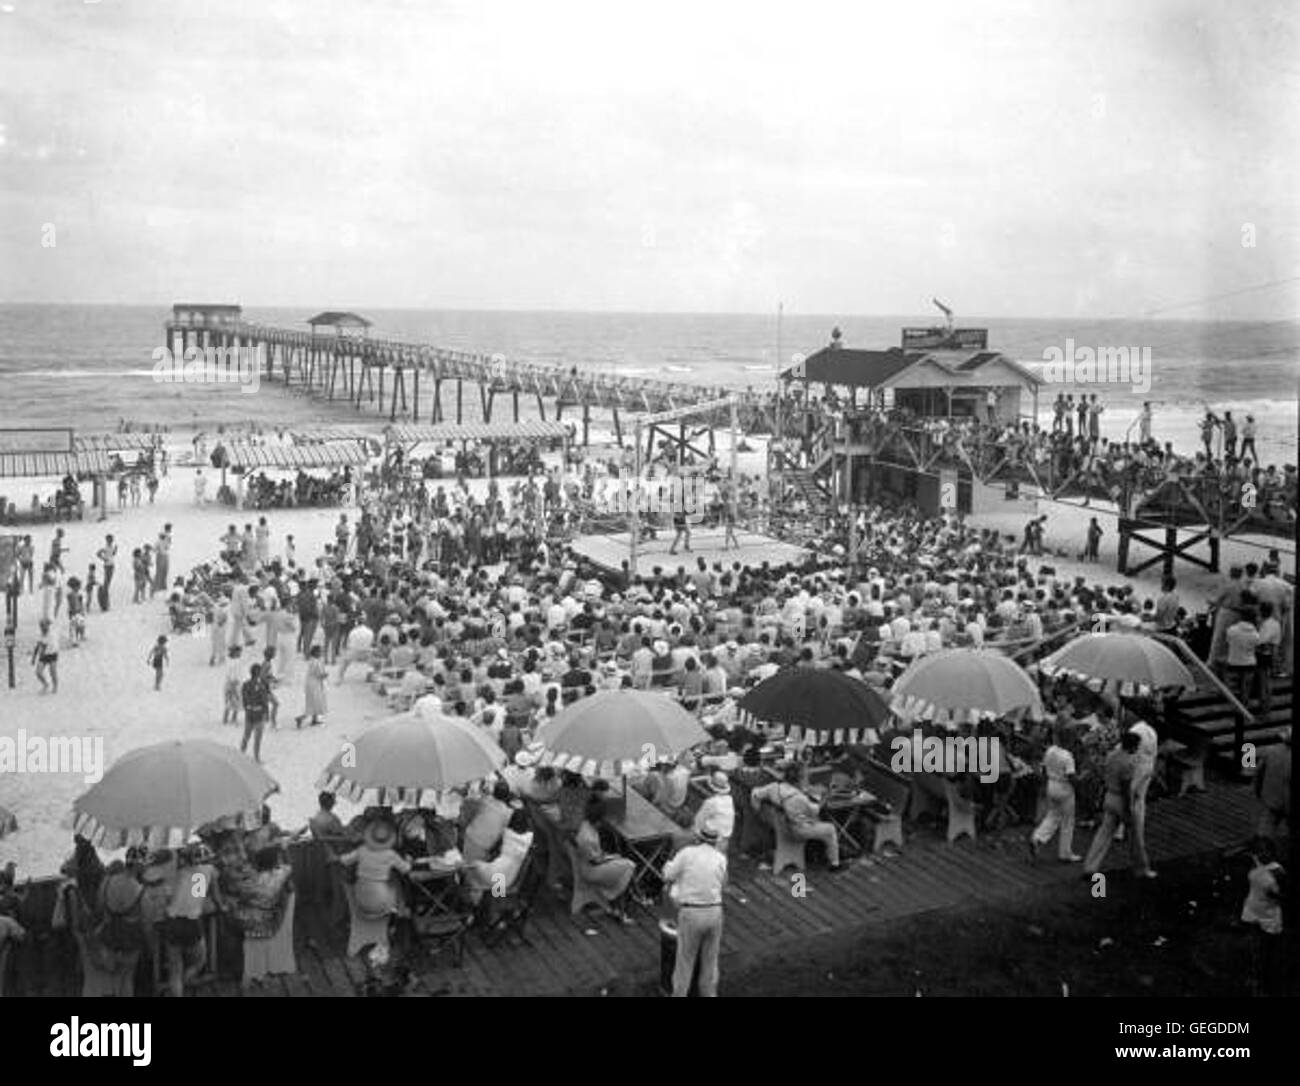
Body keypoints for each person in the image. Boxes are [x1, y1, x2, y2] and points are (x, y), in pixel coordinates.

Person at [661, 824, 728, 997]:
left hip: (692, 913)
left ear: (698, 838)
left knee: (684, 963)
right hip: (714, 911)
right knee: (710, 962)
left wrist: (668, 864)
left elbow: (668, 875)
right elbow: (724, 884)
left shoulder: (687, 853)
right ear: (715, 842)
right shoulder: (721, 858)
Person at [750, 762, 845, 872]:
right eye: (805, 777)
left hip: (781, 827)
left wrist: (759, 812)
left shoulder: (774, 788)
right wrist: (825, 797)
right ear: (799, 779)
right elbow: (816, 810)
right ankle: (835, 864)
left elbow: (755, 793)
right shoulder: (799, 798)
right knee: (830, 829)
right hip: (797, 831)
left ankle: (819, 853)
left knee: (813, 820)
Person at [1082, 731, 1153, 877]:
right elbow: (1126, 787)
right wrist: (1128, 810)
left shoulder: (1112, 755)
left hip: (1109, 796)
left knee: (1103, 833)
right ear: (1133, 746)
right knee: (1136, 837)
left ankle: (1090, 866)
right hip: (1121, 799)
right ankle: (1142, 868)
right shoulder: (1128, 762)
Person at [573, 795, 635, 924]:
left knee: (623, 863)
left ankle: (620, 905)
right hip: (591, 870)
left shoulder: (586, 825)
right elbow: (595, 860)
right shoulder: (587, 837)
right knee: (628, 866)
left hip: (592, 863)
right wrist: (611, 858)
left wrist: (611, 857)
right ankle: (620, 908)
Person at [336, 817, 412, 919]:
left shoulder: (361, 850)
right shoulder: (390, 854)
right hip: (381, 907)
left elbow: (343, 861)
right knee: (396, 876)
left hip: (362, 906)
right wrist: (409, 861)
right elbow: (407, 869)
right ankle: (401, 909)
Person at [1029, 726, 1081, 862]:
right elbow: (1071, 776)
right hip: (1064, 788)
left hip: (1051, 785)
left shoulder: (1050, 750)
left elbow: (1045, 769)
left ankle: (1037, 837)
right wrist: (1080, 783)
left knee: (1052, 815)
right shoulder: (1067, 756)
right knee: (1067, 821)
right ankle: (1065, 853)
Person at [463, 807, 534, 907]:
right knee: (494, 878)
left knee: (473, 866)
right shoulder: (530, 839)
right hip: (510, 879)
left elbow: (493, 850)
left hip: (496, 875)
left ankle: (473, 902)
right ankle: (488, 905)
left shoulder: (506, 833)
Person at [1252, 727, 1290, 840]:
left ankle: (1262, 853)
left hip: (1272, 798)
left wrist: (1258, 792)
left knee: (1265, 829)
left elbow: (1258, 775)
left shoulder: (1270, 751)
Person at [462, 781, 514, 864]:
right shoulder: (507, 812)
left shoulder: (485, 800)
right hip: (484, 844)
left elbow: (472, 802)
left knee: (468, 865)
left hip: (472, 837)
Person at [692, 771, 736, 855]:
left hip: (710, 839)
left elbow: (698, 821)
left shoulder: (711, 802)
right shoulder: (729, 799)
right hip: (725, 840)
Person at [240, 663, 270, 762]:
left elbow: (244, 700)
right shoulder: (261, 686)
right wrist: (266, 713)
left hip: (249, 713)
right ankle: (256, 758)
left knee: (246, 736)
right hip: (259, 714)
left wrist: (247, 708)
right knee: (257, 739)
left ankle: (241, 754)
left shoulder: (245, 684)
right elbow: (264, 701)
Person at [294, 645, 329, 728]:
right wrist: (325, 675)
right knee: (315, 703)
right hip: (314, 685)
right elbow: (318, 674)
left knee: (314, 703)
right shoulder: (316, 662)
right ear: (316, 652)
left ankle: (314, 719)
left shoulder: (312, 661)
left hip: (311, 683)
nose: (321, 653)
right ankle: (301, 718)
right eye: (320, 651)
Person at [32, 617, 58, 694]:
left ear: (48, 626)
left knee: (52, 671)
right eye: (41, 626)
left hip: (52, 653)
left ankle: (55, 686)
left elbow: (44, 645)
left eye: (44, 625)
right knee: (38, 672)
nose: (43, 627)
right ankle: (45, 684)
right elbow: (38, 645)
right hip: (44, 655)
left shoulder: (52, 634)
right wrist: (34, 657)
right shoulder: (40, 634)